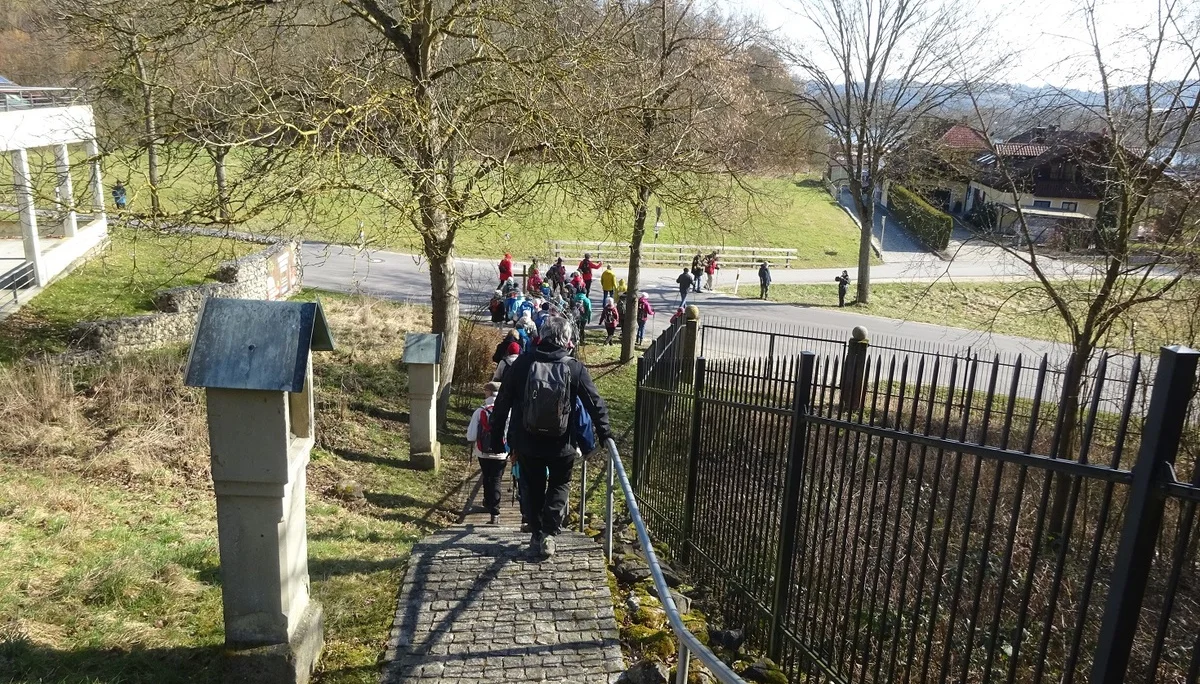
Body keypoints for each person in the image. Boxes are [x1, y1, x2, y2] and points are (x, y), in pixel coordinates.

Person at [490, 317, 612, 558]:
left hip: (527, 441)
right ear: (566, 340)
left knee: (532, 486)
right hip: (562, 444)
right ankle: (549, 533)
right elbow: (594, 403)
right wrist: (604, 433)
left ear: (541, 336)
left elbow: (502, 401)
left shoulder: (523, 363)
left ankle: (536, 533)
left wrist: (497, 437)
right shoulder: (574, 367)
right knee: (559, 484)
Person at [466, 381, 508, 525]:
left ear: (489, 393)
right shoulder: (507, 410)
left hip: (483, 452)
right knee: (496, 479)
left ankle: (488, 503)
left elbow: (471, 436)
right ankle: (495, 512)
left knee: (487, 476)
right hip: (501, 452)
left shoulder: (480, 411)